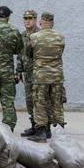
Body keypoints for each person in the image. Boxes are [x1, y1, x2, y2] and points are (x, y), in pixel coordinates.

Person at [28, 11, 66, 142]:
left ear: (40, 22)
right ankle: (60, 132)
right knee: (57, 102)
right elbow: (60, 52)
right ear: (53, 23)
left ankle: (42, 132)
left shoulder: (34, 37)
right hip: (56, 76)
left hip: (41, 76)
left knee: (40, 102)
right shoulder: (60, 37)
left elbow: (29, 54)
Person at [19, 9, 51, 137]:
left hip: (39, 74)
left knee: (42, 100)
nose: (27, 21)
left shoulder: (41, 34)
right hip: (27, 73)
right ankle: (34, 125)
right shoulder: (23, 35)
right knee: (30, 100)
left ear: (35, 20)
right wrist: (19, 70)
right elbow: (20, 54)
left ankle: (46, 127)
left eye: (30, 18)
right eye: (25, 19)